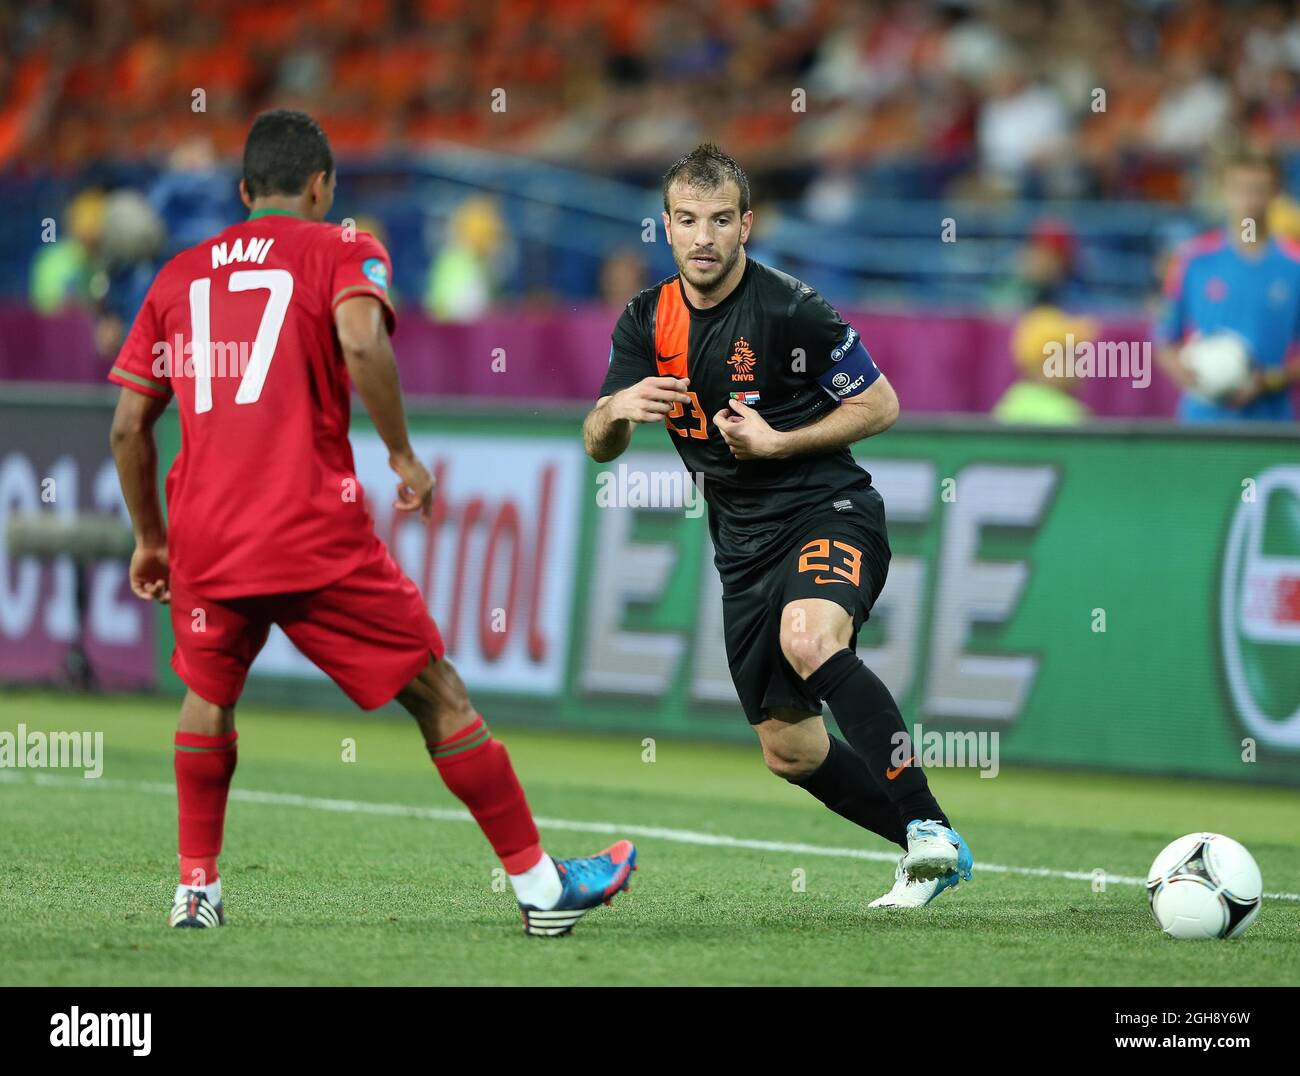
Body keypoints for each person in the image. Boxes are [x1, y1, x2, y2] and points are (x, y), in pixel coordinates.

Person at [108, 110, 634, 936]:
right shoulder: (343, 248)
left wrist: (149, 539)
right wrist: (402, 455)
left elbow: (127, 427)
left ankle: (196, 891)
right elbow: (361, 341)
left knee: (207, 695)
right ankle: (538, 886)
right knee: (438, 692)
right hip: (309, 530)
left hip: (205, 535)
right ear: (322, 186)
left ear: (245, 191)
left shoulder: (177, 277)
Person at [582, 144, 972, 909]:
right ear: (665, 226)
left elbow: (882, 404)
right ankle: (932, 844)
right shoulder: (643, 319)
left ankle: (926, 824)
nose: (703, 237)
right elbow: (599, 446)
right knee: (790, 751)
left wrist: (779, 442)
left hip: (829, 511)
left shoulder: (791, 308)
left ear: (746, 224)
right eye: (688, 221)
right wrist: (614, 412)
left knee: (810, 637)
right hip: (742, 549)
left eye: (720, 220)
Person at [1156, 146, 1300, 421]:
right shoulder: (1192, 259)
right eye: (1240, 189)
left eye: (1259, 189)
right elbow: (1165, 341)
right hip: (1203, 422)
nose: (1249, 200)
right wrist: (1195, 378)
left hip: (1270, 424)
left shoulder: (1294, 265)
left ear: (1276, 193)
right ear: (1223, 191)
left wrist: (1268, 381)